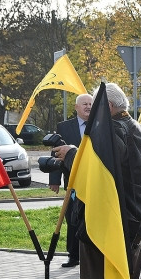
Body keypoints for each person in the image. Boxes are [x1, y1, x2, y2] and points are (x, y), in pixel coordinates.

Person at [52, 83, 141, 279]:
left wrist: (71, 154)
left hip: (106, 221)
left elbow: (97, 171)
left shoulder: (109, 133)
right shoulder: (140, 129)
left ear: (107, 107)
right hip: (135, 222)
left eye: (96, 106)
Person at [50, 93, 93, 268]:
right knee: (72, 218)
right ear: (76, 107)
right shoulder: (64, 127)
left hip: (93, 181)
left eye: (90, 104)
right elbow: (56, 153)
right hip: (72, 182)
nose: (88, 107)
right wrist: (54, 179)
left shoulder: (100, 125)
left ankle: (91, 256)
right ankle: (73, 255)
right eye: (84, 104)